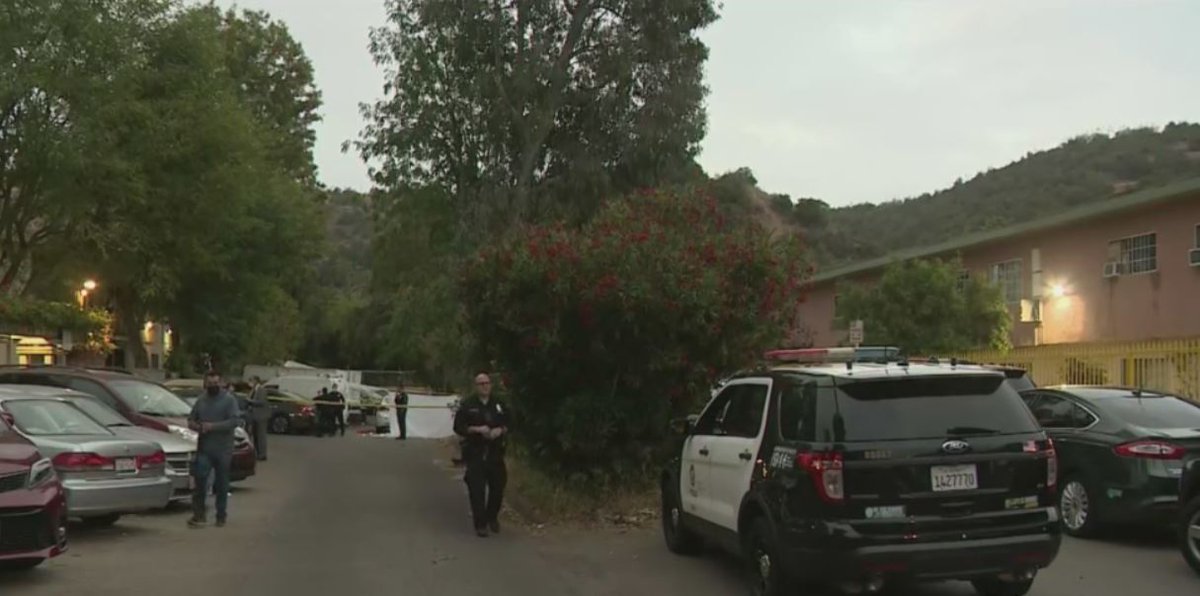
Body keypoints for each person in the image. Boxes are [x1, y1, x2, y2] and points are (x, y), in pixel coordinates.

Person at [453, 372, 508, 537]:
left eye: (487, 383)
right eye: (481, 384)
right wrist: (477, 429)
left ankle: (492, 517)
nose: (485, 386)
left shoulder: (499, 403)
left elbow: (510, 422)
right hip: (475, 452)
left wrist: (501, 430)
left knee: (498, 488)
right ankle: (480, 524)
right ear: (476, 387)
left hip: (495, 452)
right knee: (477, 490)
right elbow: (459, 427)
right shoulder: (468, 404)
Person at [187, 370, 242, 528]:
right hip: (204, 448)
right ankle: (199, 515)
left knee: (222, 483)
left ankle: (221, 516)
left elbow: (234, 421)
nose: (213, 386)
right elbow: (191, 419)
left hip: (223, 449)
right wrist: (196, 426)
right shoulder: (201, 400)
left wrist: (213, 426)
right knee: (200, 481)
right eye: (210, 384)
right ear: (205, 384)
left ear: (221, 383)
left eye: (215, 383)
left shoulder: (229, 400)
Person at [246, 376, 270, 460]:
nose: (250, 383)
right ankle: (258, 453)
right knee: (256, 436)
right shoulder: (253, 390)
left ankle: (262, 454)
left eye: (251, 381)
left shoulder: (261, 390)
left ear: (256, 381)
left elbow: (261, 402)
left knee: (261, 436)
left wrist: (250, 401)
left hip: (261, 416)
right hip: (254, 416)